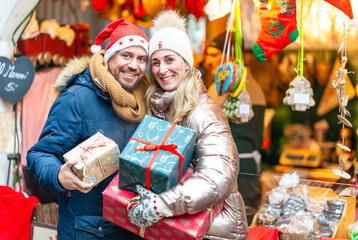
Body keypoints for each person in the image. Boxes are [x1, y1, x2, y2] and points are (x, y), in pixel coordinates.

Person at [126, 11, 248, 240]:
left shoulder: (203, 112)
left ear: (186, 62)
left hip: (213, 232)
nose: (162, 70)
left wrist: (161, 205)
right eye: (156, 62)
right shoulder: (158, 107)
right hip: (179, 227)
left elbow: (217, 176)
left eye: (170, 60)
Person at [27, 19, 149, 240]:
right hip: (89, 231)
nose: (134, 65)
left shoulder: (146, 102)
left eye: (142, 59)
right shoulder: (77, 99)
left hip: (132, 228)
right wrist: (58, 175)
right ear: (109, 56)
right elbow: (39, 154)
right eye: (126, 56)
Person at [205, 32, 267, 224]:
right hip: (237, 169)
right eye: (208, 55)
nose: (208, 61)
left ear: (230, 56)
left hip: (238, 171)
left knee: (239, 223)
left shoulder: (228, 85)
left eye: (214, 55)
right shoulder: (250, 83)